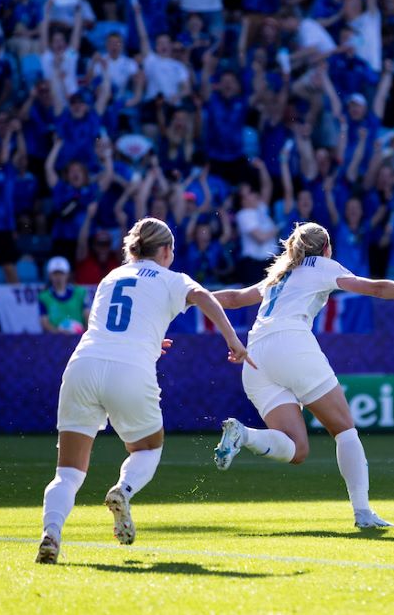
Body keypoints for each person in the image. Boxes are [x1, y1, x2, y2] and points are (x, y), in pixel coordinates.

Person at [210, 222, 394, 528]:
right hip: (292, 345)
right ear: (326, 248)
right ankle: (363, 513)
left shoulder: (279, 274)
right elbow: (376, 288)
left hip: (254, 357)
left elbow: (233, 299)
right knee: (344, 430)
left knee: (297, 449)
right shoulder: (324, 266)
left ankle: (243, 435)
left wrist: (188, 298)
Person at [35, 217, 250, 564]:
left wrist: (148, 338)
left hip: (84, 364)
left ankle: (51, 533)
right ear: (165, 251)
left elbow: (116, 322)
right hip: (130, 371)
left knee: (68, 473)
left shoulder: (111, 277)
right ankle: (124, 489)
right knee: (149, 447)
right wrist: (234, 341)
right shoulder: (172, 278)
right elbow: (204, 297)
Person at [39, 256, 89, 334]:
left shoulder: (80, 293)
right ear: (50, 275)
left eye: (61, 273)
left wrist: (85, 332)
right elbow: (44, 322)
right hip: (55, 339)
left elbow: (87, 316)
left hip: (79, 337)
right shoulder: (44, 297)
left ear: (67, 274)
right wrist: (59, 333)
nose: (58, 277)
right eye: (55, 274)